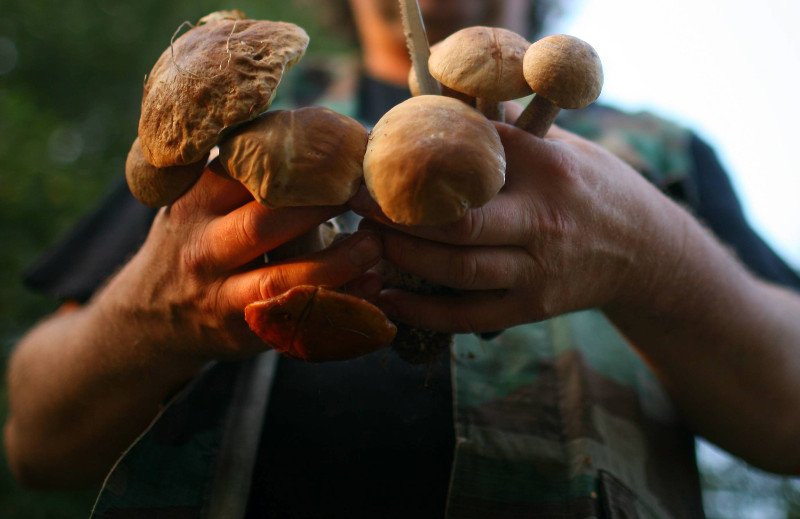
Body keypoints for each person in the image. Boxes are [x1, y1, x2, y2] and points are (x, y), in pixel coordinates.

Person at [5, 0, 800, 517]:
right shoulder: (221, 123)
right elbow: (35, 440)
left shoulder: (654, 154)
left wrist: (653, 254)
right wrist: (152, 314)